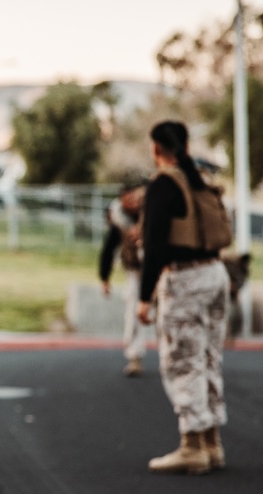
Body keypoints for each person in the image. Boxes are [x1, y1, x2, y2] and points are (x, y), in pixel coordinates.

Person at [137, 120, 230, 475]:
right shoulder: (200, 180)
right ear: (186, 145)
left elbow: (156, 246)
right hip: (215, 273)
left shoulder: (165, 183)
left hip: (186, 278)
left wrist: (144, 298)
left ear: (157, 148)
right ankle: (211, 442)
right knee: (208, 357)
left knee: (182, 359)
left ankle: (192, 445)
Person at [99, 180, 149, 377]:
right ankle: (134, 356)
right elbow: (107, 250)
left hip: (160, 269)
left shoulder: (152, 213)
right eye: (129, 199)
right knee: (134, 311)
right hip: (135, 271)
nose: (134, 203)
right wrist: (105, 278)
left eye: (136, 198)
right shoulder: (119, 222)